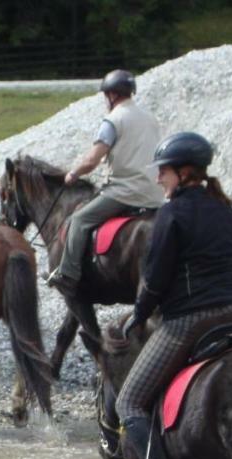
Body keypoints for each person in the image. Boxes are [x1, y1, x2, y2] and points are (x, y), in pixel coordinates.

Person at [115, 131, 232, 459]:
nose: (159, 178)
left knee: (127, 403)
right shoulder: (228, 213)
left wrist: (138, 316)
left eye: (163, 172)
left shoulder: (172, 215)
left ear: (182, 172)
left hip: (189, 323)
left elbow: (156, 281)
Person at [45, 69, 163, 296]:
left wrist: (73, 174)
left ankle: (67, 275)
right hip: (156, 193)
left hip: (126, 191)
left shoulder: (113, 120)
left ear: (111, 95)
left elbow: (92, 160)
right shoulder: (150, 119)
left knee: (79, 219)